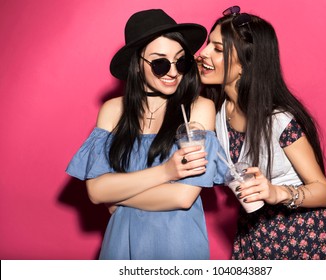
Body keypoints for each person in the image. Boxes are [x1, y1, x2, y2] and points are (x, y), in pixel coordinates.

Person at [66, 9, 227, 260]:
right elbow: (96, 191)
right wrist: (166, 172)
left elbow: (183, 196)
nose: (173, 72)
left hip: (178, 245)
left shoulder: (199, 108)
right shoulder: (113, 110)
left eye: (181, 61)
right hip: (121, 244)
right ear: (137, 64)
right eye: (161, 63)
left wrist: (119, 195)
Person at [198, 6, 326, 259]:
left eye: (218, 49)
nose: (203, 53)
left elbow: (323, 191)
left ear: (244, 65)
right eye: (209, 44)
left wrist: (277, 192)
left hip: (300, 236)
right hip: (253, 230)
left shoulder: (278, 120)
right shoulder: (219, 111)